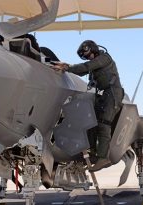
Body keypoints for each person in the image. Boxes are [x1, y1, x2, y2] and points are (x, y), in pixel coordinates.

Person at [52, 40, 124, 172]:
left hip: (112, 93)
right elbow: (83, 71)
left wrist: (67, 68)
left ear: (94, 50)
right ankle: (95, 154)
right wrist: (66, 66)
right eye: (85, 57)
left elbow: (86, 67)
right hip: (103, 95)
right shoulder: (95, 66)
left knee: (104, 124)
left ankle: (103, 157)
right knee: (92, 123)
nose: (88, 58)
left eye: (88, 55)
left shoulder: (104, 58)